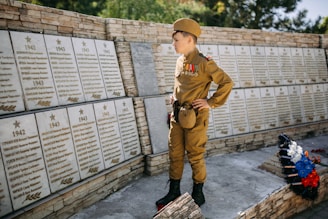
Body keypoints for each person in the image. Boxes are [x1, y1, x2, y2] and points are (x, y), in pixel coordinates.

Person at [155, 18, 234, 210]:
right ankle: (174, 191)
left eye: (176, 39)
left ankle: (198, 192)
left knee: (195, 156)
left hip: (196, 119)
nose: (173, 44)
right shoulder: (179, 60)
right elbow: (180, 86)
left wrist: (210, 102)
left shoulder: (205, 63)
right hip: (177, 117)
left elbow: (227, 82)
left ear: (189, 39)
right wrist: (174, 96)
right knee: (174, 153)